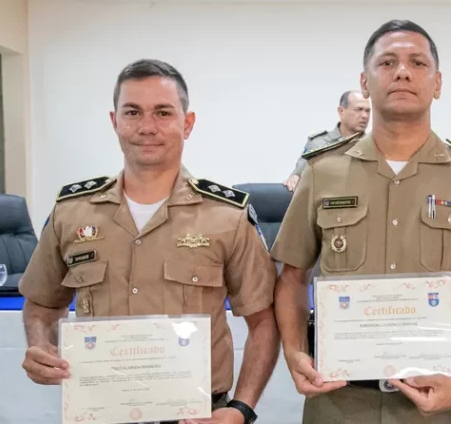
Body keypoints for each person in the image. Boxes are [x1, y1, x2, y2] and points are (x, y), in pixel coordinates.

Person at [270, 19, 451, 424]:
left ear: (437, 83)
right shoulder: (322, 172)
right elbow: (291, 278)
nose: (403, 72)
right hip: (337, 402)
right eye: (387, 62)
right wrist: (293, 350)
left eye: (418, 63)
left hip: (437, 406)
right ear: (365, 81)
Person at [18, 59, 280, 424]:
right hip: (99, 412)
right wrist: (39, 345)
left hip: (197, 416)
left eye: (163, 112)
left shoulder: (227, 216)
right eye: (132, 112)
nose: (147, 127)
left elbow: (264, 321)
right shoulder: (71, 213)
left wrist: (241, 408)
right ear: (115, 122)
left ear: (187, 124)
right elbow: (41, 305)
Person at [283, 90, 371, 191]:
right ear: (341, 111)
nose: (365, 116)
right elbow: (298, 174)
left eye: (367, 111)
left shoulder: (374, 145)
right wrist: (295, 177)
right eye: (359, 109)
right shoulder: (319, 143)